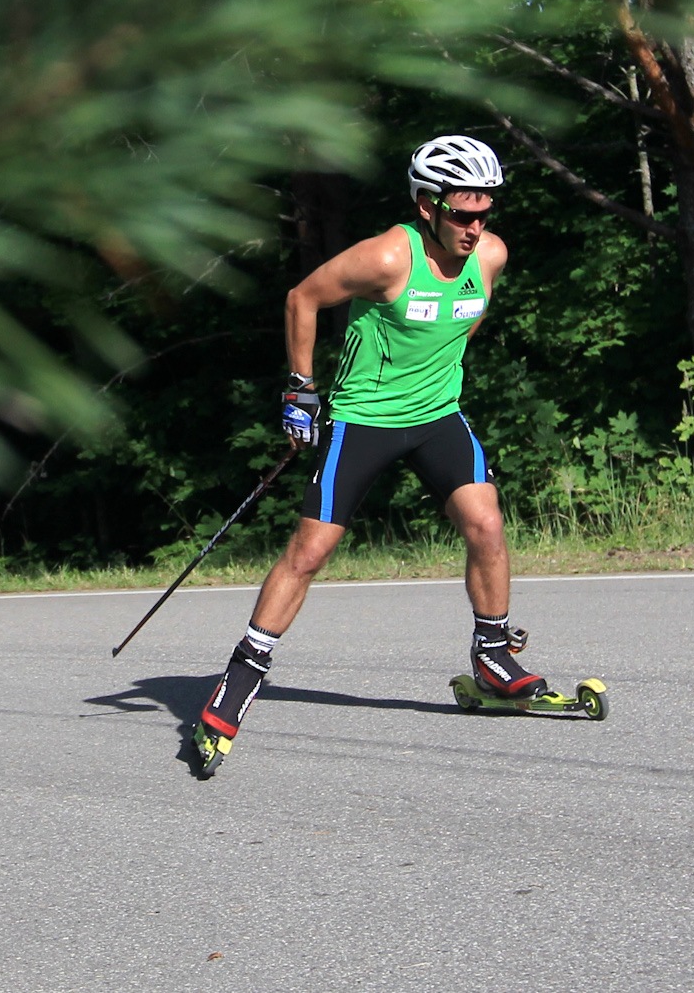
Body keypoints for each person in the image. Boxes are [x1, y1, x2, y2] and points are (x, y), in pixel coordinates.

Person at [190, 134, 539, 776]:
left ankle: (492, 657)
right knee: (311, 551)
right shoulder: (384, 257)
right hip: (364, 420)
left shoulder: (490, 255)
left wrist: (439, 374)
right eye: (462, 213)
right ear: (427, 206)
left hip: (438, 417)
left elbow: (466, 320)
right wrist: (301, 389)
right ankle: (237, 679)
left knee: (486, 524)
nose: (476, 226)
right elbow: (302, 298)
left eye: (485, 211)